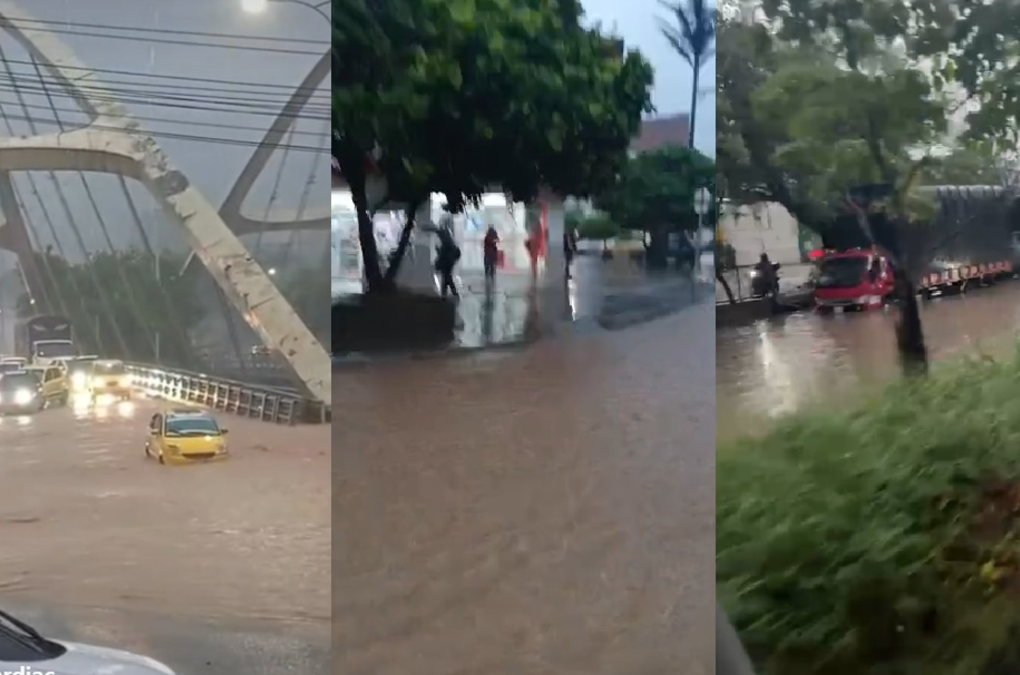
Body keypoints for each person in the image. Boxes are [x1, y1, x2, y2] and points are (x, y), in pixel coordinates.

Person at [434, 225, 461, 299]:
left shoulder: (446, 241)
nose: (439, 237)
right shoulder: (448, 240)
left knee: (446, 277)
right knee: (446, 277)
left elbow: (443, 254)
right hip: (448, 262)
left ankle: (448, 293)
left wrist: (438, 251)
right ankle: (448, 293)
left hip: (447, 262)